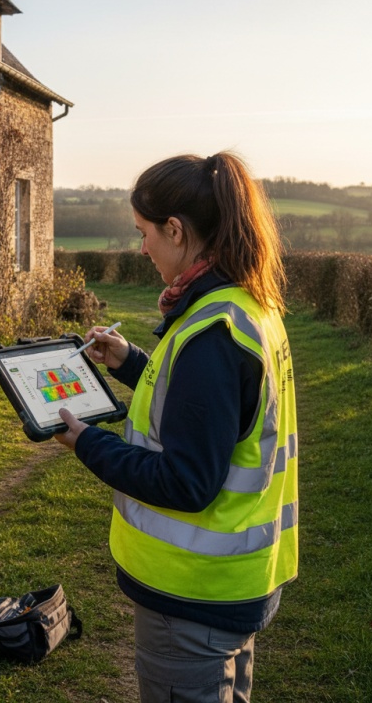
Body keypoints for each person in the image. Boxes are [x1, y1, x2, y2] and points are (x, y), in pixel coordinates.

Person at [56, 152, 298, 703]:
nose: (141, 250)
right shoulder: (245, 306)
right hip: (235, 584)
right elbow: (209, 412)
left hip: (194, 594)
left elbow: (186, 480)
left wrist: (89, 443)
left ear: (177, 230)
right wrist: (132, 362)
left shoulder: (210, 332)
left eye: (144, 234)